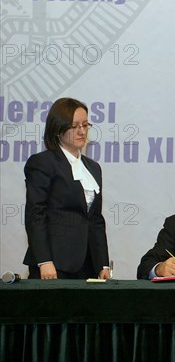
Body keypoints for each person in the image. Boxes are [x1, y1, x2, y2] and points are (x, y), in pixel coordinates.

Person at [23, 97, 110, 280]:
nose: (81, 131)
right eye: (74, 126)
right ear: (58, 128)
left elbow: (95, 220)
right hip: (54, 264)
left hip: (88, 264)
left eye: (85, 125)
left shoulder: (93, 168)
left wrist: (103, 263)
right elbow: (35, 215)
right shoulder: (43, 163)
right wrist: (44, 261)